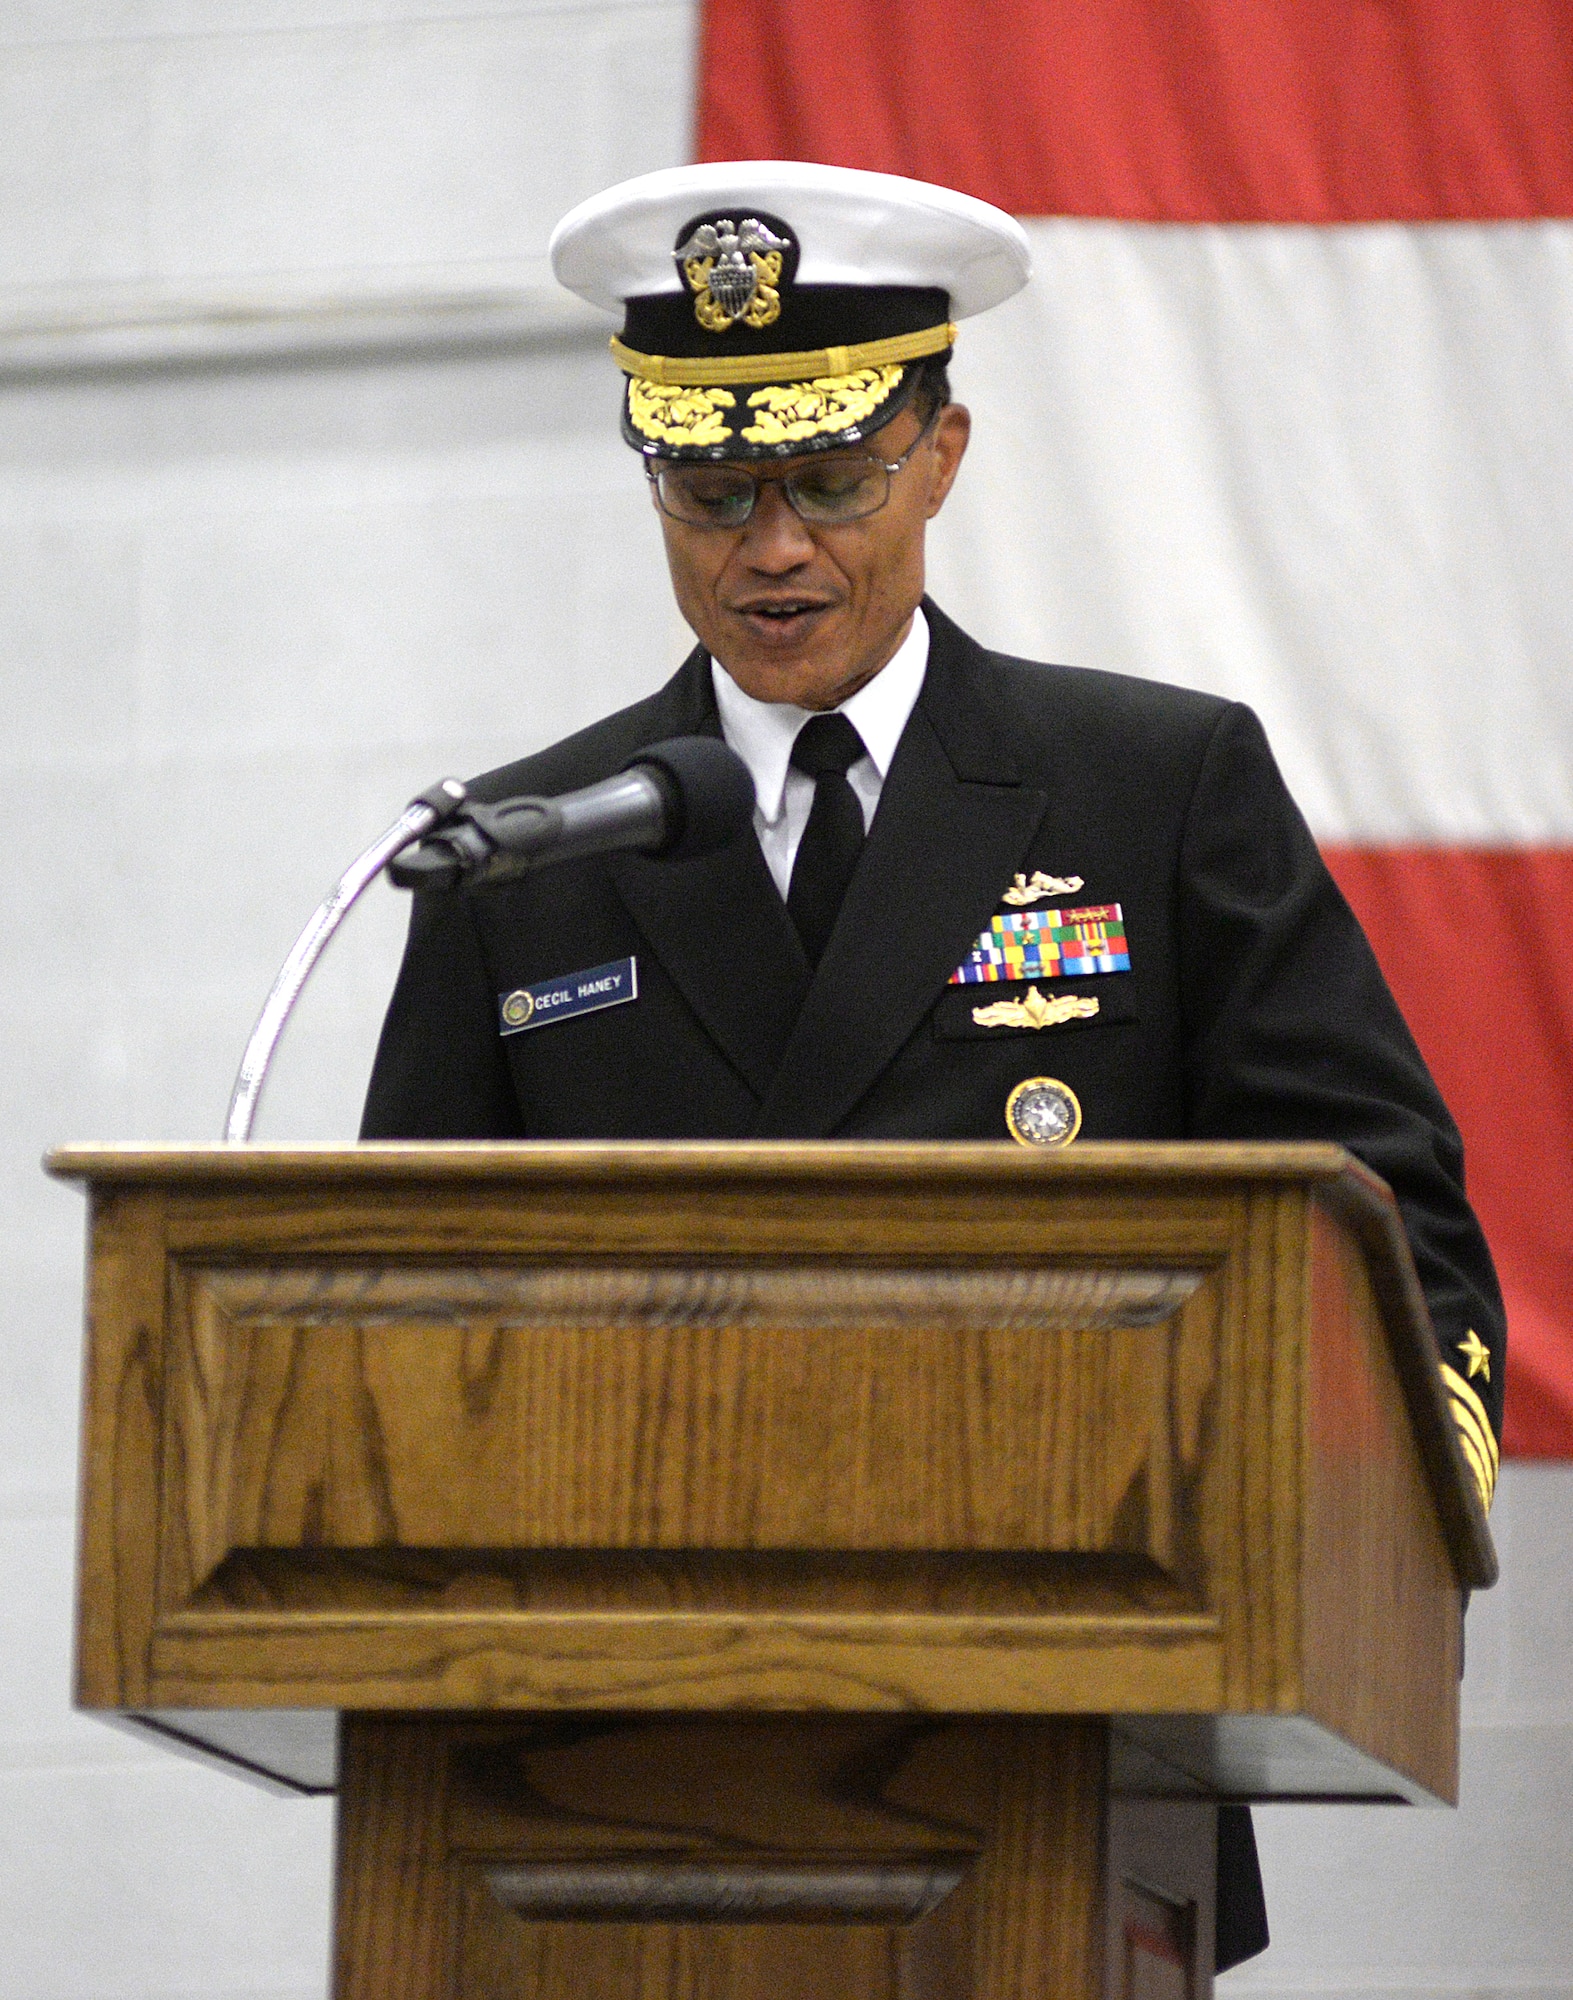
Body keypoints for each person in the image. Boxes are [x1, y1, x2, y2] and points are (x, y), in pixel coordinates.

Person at [361, 161, 1506, 1971]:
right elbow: (389, 1316)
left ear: (942, 452)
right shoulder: (527, 853)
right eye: (712, 490)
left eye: (828, 480)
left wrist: (1394, 1521)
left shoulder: (1149, 785)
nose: (773, 548)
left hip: (1063, 1738)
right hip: (600, 1777)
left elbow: (1383, 1215)